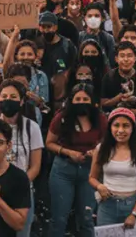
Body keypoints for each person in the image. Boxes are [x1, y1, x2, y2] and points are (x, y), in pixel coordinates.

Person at [0, 77, 43, 237]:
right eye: (4, 97)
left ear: (21, 102)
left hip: (21, 190)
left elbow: (35, 165)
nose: (8, 100)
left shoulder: (31, 127)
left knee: (21, 232)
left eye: (13, 97)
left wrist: (19, 183)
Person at [45, 84, 106, 237]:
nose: (81, 102)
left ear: (92, 101)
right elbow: (49, 143)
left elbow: (107, 144)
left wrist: (97, 151)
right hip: (63, 169)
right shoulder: (62, 117)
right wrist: (67, 152)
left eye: (85, 99)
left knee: (87, 218)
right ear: (71, 100)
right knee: (59, 218)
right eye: (78, 99)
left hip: (89, 171)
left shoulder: (100, 119)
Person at [88, 107, 136, 228]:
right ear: (110, 128)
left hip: (132, 204)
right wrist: (99, 186)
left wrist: (134, 213)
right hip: (107, 205)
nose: (120, 130)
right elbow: (92, 177)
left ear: (132, 128)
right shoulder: (101, 149)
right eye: (116, 125)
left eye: (126, 126)